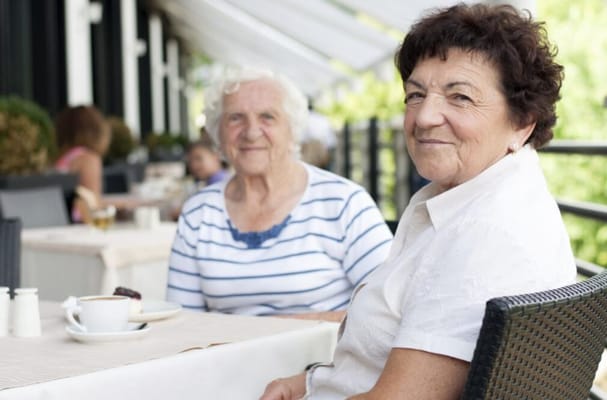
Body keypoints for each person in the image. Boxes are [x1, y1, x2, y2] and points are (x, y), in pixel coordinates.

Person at [259, 4, 576, 399]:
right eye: (415, 94)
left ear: (522, 123)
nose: (424, 116)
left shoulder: (485, 233)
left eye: (459, 97)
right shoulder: (469, 197)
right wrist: (308, 382)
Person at [166, 66, 393, 322]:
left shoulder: (343, 202)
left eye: (267, 117)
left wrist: (281, 331)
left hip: (325, 359)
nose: (251, 132)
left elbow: (388, 308)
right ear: (217, 132)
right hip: (227, 359)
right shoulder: (198, 211)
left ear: (292, 129)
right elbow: (181, 321)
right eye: (235, 118)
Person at [54, 105, 111, 222]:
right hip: (79, 225)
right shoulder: (88, 159)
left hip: (59, 222)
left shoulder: (61, 158)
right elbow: (93, 203)